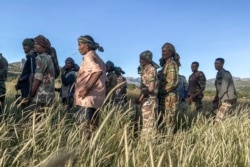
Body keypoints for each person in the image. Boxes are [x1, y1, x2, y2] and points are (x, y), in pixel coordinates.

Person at [74, 35, 106, 139]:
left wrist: (86, 89)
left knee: (83, 131)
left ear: (87, 46)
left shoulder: (88, 57)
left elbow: (97, 72)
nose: (78, 48)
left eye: (80, 45)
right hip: (96, 101)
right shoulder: (99, 59)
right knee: (93, 130)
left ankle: (82, 152)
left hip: (86, 100)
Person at [23, 35, 55, 113]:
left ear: (42, 46)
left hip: (40, 96)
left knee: (28, 119)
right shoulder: (49, 58)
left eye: (37, 44)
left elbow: (37, 79)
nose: (34, 46)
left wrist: (29, 96)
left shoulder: (41, 58)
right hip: (49, 96)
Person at [135, 50, 159, 138]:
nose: (139, 60)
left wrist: (141, 97)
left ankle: (150, 145)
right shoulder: (145, 70)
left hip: (150, 101)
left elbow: (151, 88)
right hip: (146, 100)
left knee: (149, 126)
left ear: (147, 59)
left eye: (141, 59)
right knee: (146, 124)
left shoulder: (151, 70)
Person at [158, 43, 179, 131]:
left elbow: (172, 83)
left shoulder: (171, 64)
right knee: (162, 121)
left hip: (169, 98)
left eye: (164, 51)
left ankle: (170, 141)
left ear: (170, 52)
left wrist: (158, 92)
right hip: (163, 97)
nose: (162, 53)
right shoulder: (165, 66)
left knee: (169, 123)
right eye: (162, 51)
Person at [213, 58, 237, 122]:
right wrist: (216, 97)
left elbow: (223, 89)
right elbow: (218, 88)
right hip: (222, 98)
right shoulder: (218, 74)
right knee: (217, 115)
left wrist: (218, 98)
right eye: (215, 63)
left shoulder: (226, 74)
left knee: (218, 120)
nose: (215, 65)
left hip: (227, 99)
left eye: (217, 63)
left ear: (222, 64)